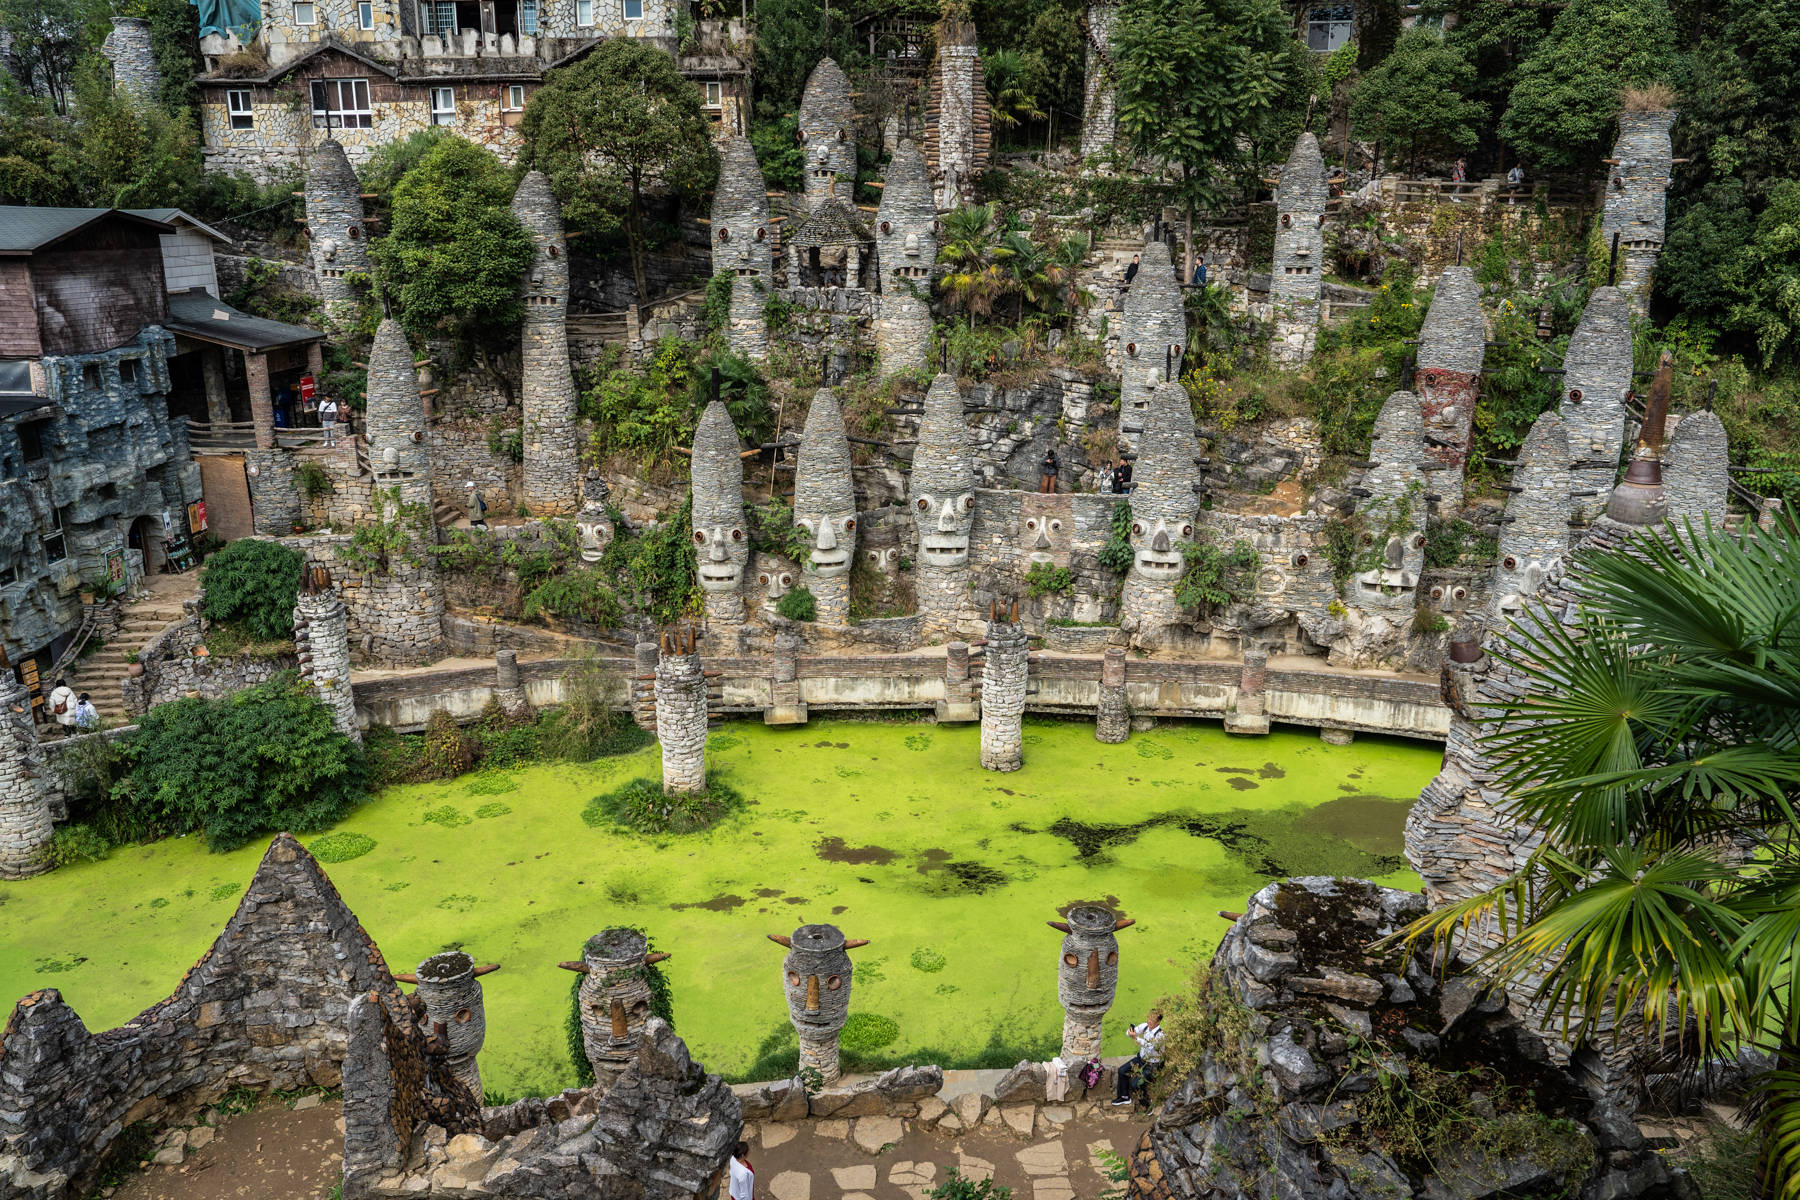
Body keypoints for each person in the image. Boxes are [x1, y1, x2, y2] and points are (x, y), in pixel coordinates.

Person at [1113, 1008, 1164, 1108]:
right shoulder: (1145, 1026)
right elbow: (1129, 1033)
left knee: (1135, 1084)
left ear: (1158, 1022)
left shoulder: (1160, 1035)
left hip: (1152, 1065)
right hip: (1141, 1059)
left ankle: (1146, 1106)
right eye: (1149, 1017)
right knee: (1122, 1070)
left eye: (1152, 1019)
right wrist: (1130, 1032)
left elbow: (1150, 1047)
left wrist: (1136, 1038)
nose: (1149, 1021)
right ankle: (1124, 1097)